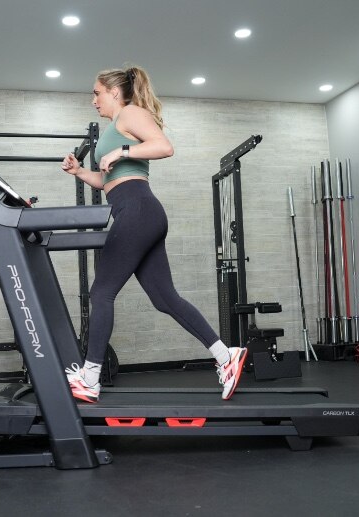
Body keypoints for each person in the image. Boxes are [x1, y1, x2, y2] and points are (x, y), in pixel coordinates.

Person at [60, 65, 247, 403]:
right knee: (165, 299)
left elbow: (164, 146)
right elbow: (107, 182)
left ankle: (89, 377)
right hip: (136, 212)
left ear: (114, 92)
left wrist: (123, 151)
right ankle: (225, 355)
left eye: (97, 92)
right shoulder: (112, 131)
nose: (93, 100)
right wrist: (79, 172)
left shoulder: (130, 113)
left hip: (138, 210)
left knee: (101, 293)